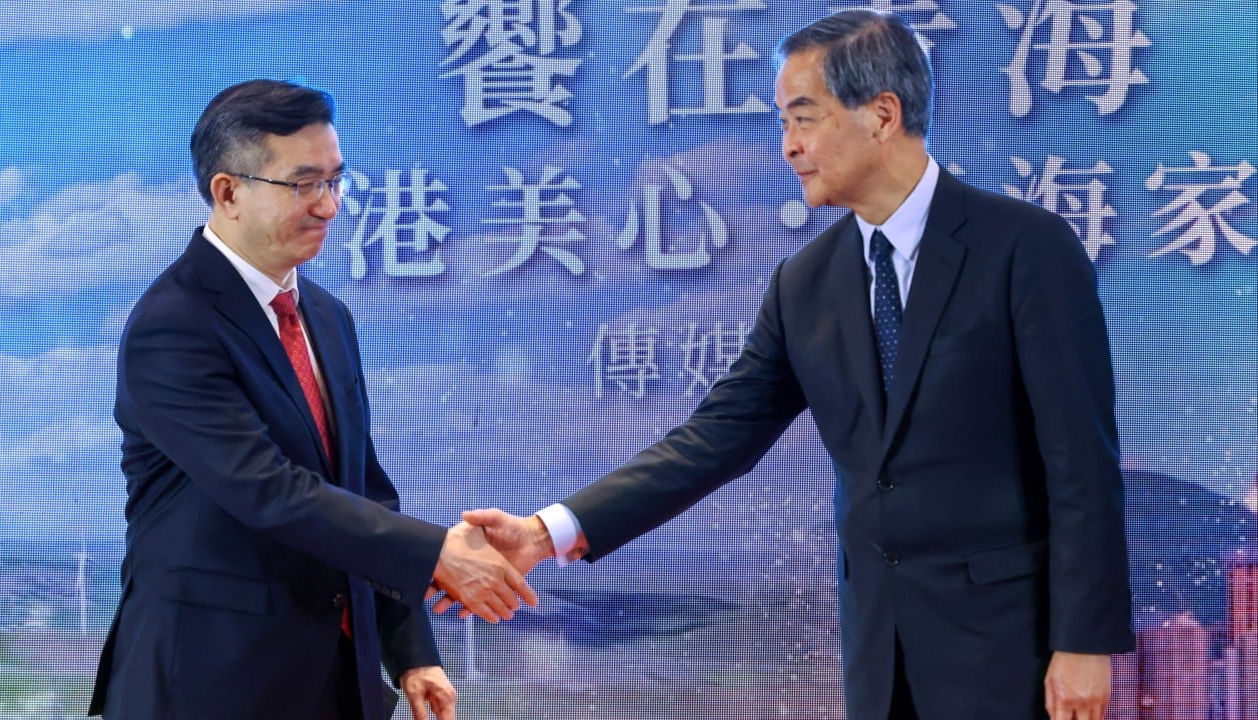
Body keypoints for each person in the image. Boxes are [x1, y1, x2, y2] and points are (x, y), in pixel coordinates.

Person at [442, 10, 1133, 720]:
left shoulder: (1024, 248)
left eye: (804, 119)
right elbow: (714, 438)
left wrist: (1085, 641)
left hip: (1012, 651)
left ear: (883, 114)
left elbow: (1081, 461)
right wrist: (546, 532)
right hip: (880, 657)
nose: (789, 146)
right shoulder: (805, 283)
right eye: (783, 123)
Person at [89, 79, 536, 720]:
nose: (329, 206)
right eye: (304, 185)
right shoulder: (173, 325)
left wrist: (410, 650)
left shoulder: (326, 316)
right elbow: (269, 490)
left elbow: (362, 490)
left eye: (336, 180)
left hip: (337, 681)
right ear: (228, 192)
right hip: (208, 684)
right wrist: (437, 554)